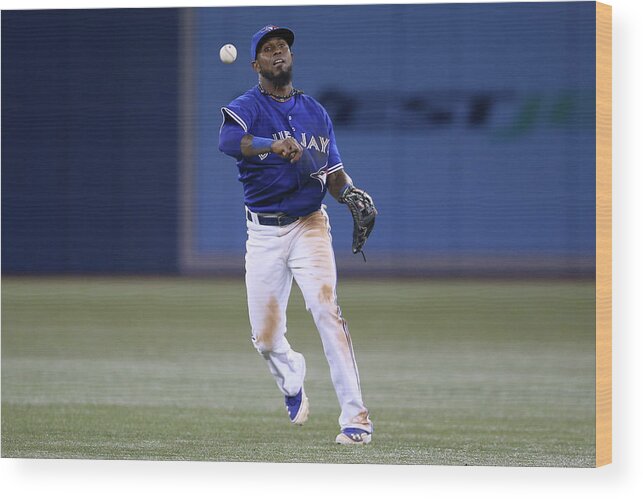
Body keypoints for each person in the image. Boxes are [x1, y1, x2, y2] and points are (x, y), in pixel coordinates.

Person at [218, 25, 375, 445]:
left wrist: (351, 196)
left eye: (283, 47)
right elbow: (231, 140)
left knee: (327, 310)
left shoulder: (316, 113)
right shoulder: (246, 106)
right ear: (255, 65)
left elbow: (333, 174)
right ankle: (292, 377)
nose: (278, 54)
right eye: (268, 50)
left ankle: (356, 418)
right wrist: (273, 144)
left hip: (309, 223)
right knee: (266, 339)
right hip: (264, 232)